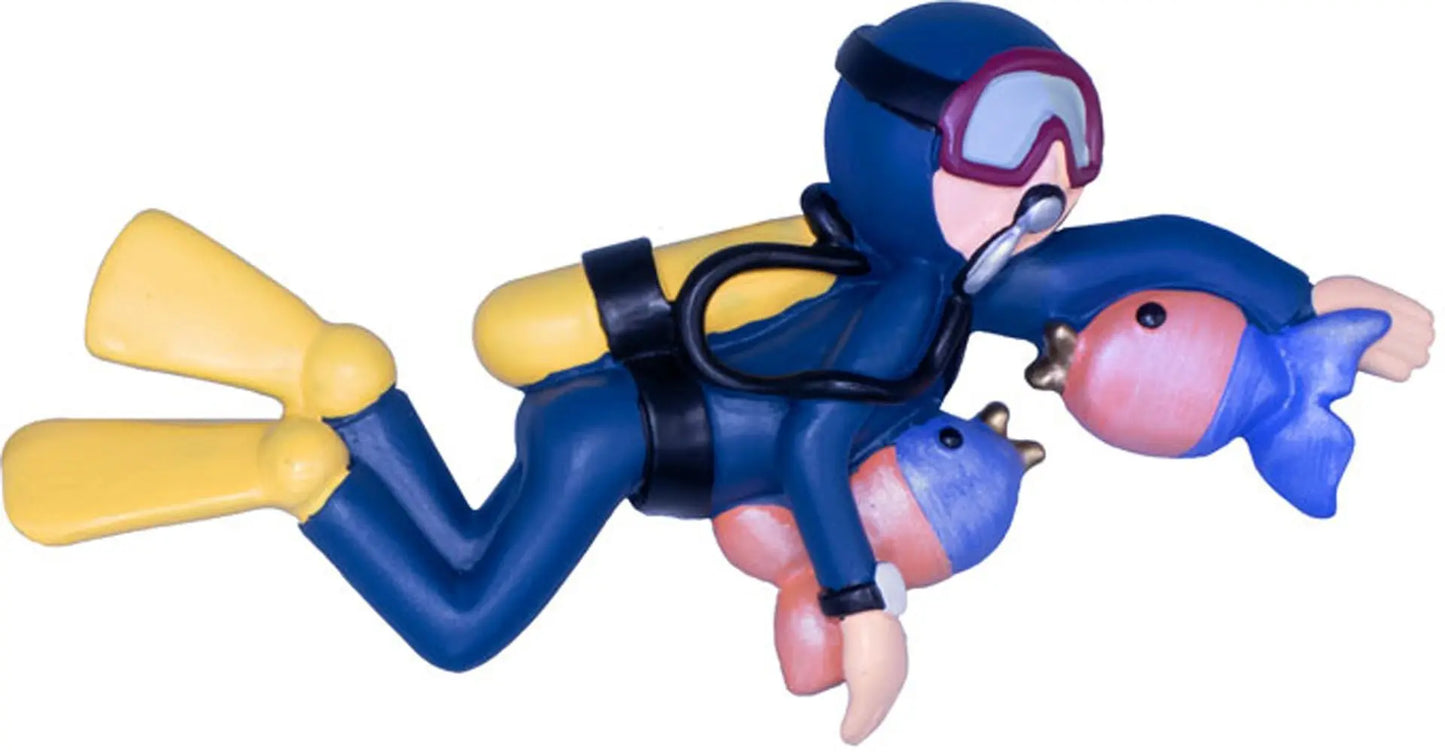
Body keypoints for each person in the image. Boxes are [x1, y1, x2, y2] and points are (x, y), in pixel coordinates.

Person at [2, 2, 1431, 746]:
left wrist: (1305, 299)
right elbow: (810, 454)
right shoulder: (908, 303)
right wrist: (861, 608)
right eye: (1011, 153)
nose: (1049, 184)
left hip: (629, 419)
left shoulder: (962, 275)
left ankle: (342, 380)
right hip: (624, 436)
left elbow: (1150, 245)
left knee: (461, 544)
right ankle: (297, 471)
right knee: (459, 622)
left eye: (1067, 144)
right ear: (908, 157)